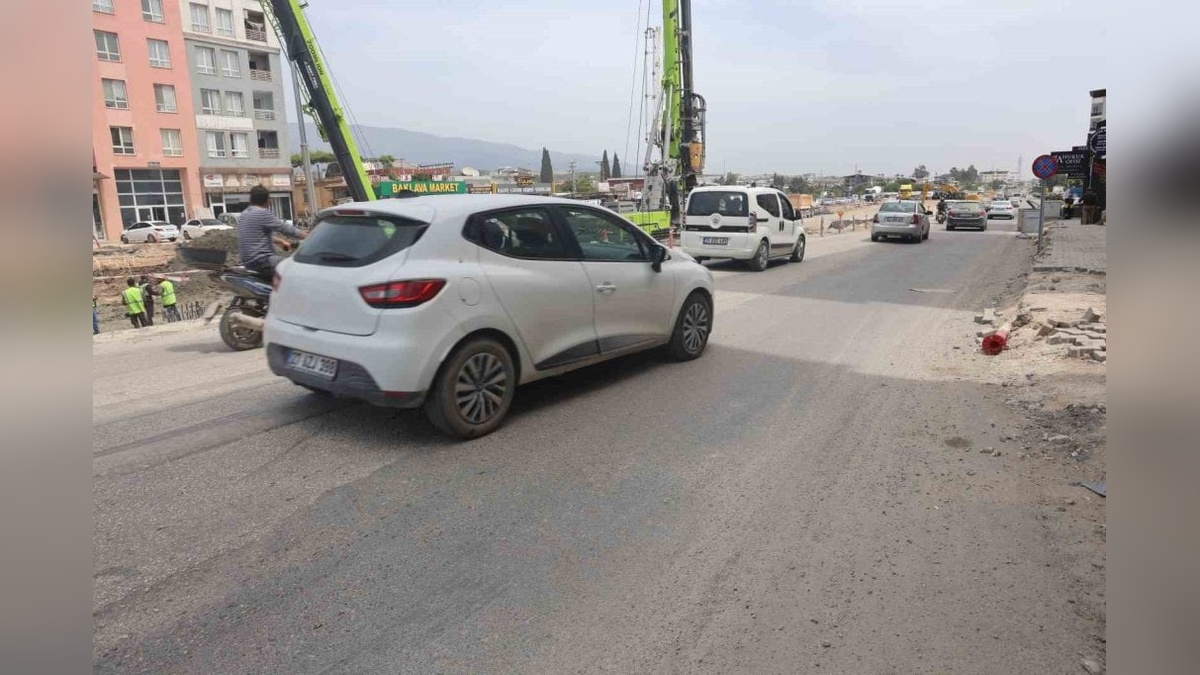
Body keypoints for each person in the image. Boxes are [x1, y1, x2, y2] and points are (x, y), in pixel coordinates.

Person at [237, 184, 307, 278]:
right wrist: (311, 236)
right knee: (299, 268)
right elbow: (286, 229)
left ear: (250, 199)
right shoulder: (262, 213)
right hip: (262, 261)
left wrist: (281, 241)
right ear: (267, 201)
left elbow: (256, 235)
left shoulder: (245, 214)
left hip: (248, 261)